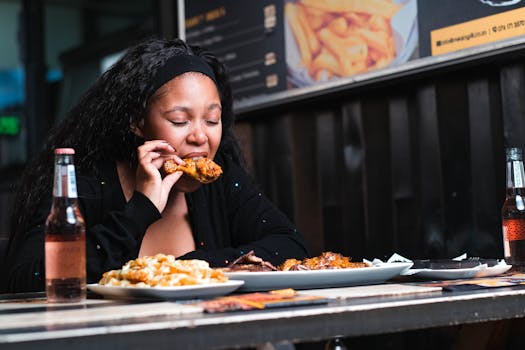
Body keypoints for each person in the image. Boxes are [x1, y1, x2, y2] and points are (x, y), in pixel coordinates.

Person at [1, 37, 309, 293]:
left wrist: (188, 268)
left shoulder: (222, 180)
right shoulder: (87, 183)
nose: (200, 136)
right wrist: (140, 209)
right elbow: (27, 279)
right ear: (137, 121)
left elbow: (290, 244)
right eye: (179, 120)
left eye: (212, 120)